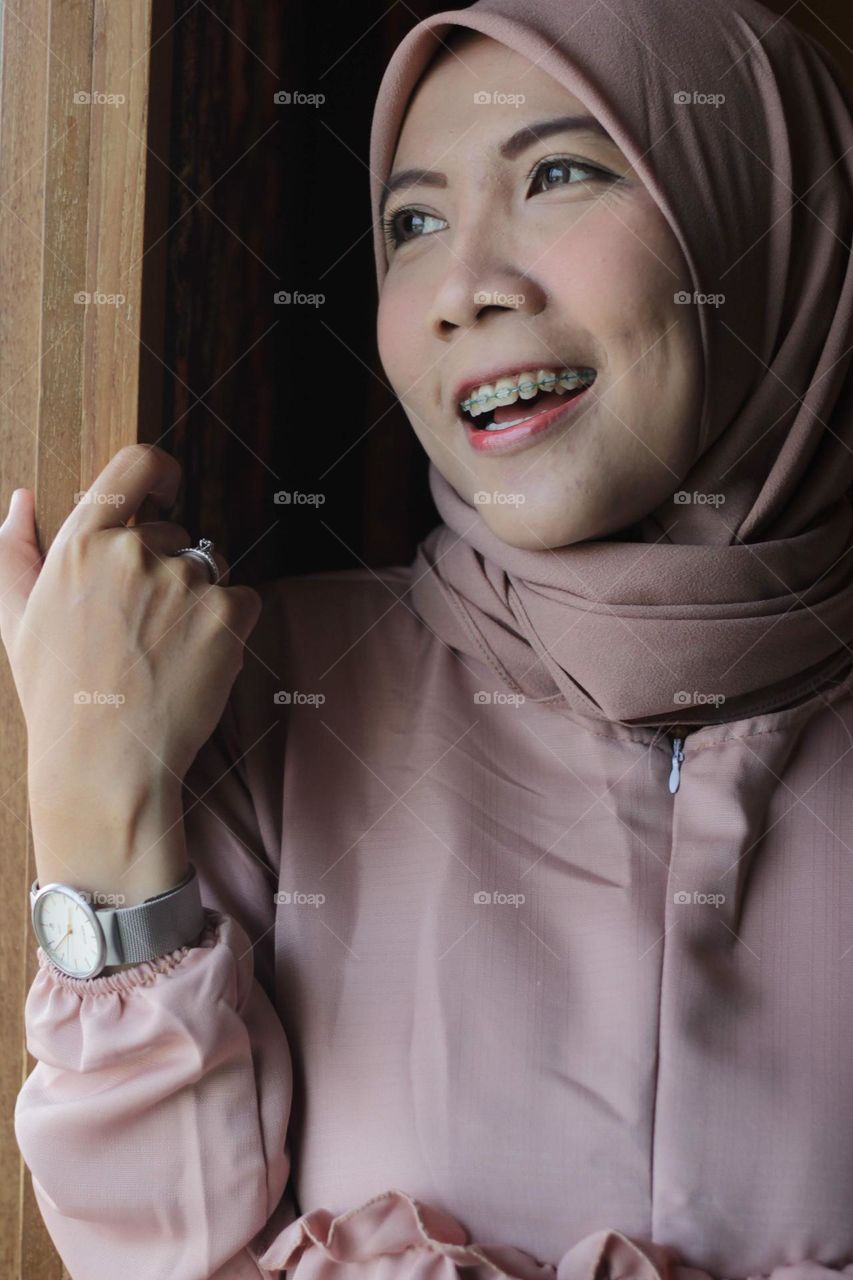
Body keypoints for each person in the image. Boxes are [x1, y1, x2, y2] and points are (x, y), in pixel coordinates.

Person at [8, 0, 853, 1277]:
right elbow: (159, 1253)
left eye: (559, 173)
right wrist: (96, 809)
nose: (465, 289)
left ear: (762, 211)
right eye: (413, 223)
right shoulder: (267, 689)